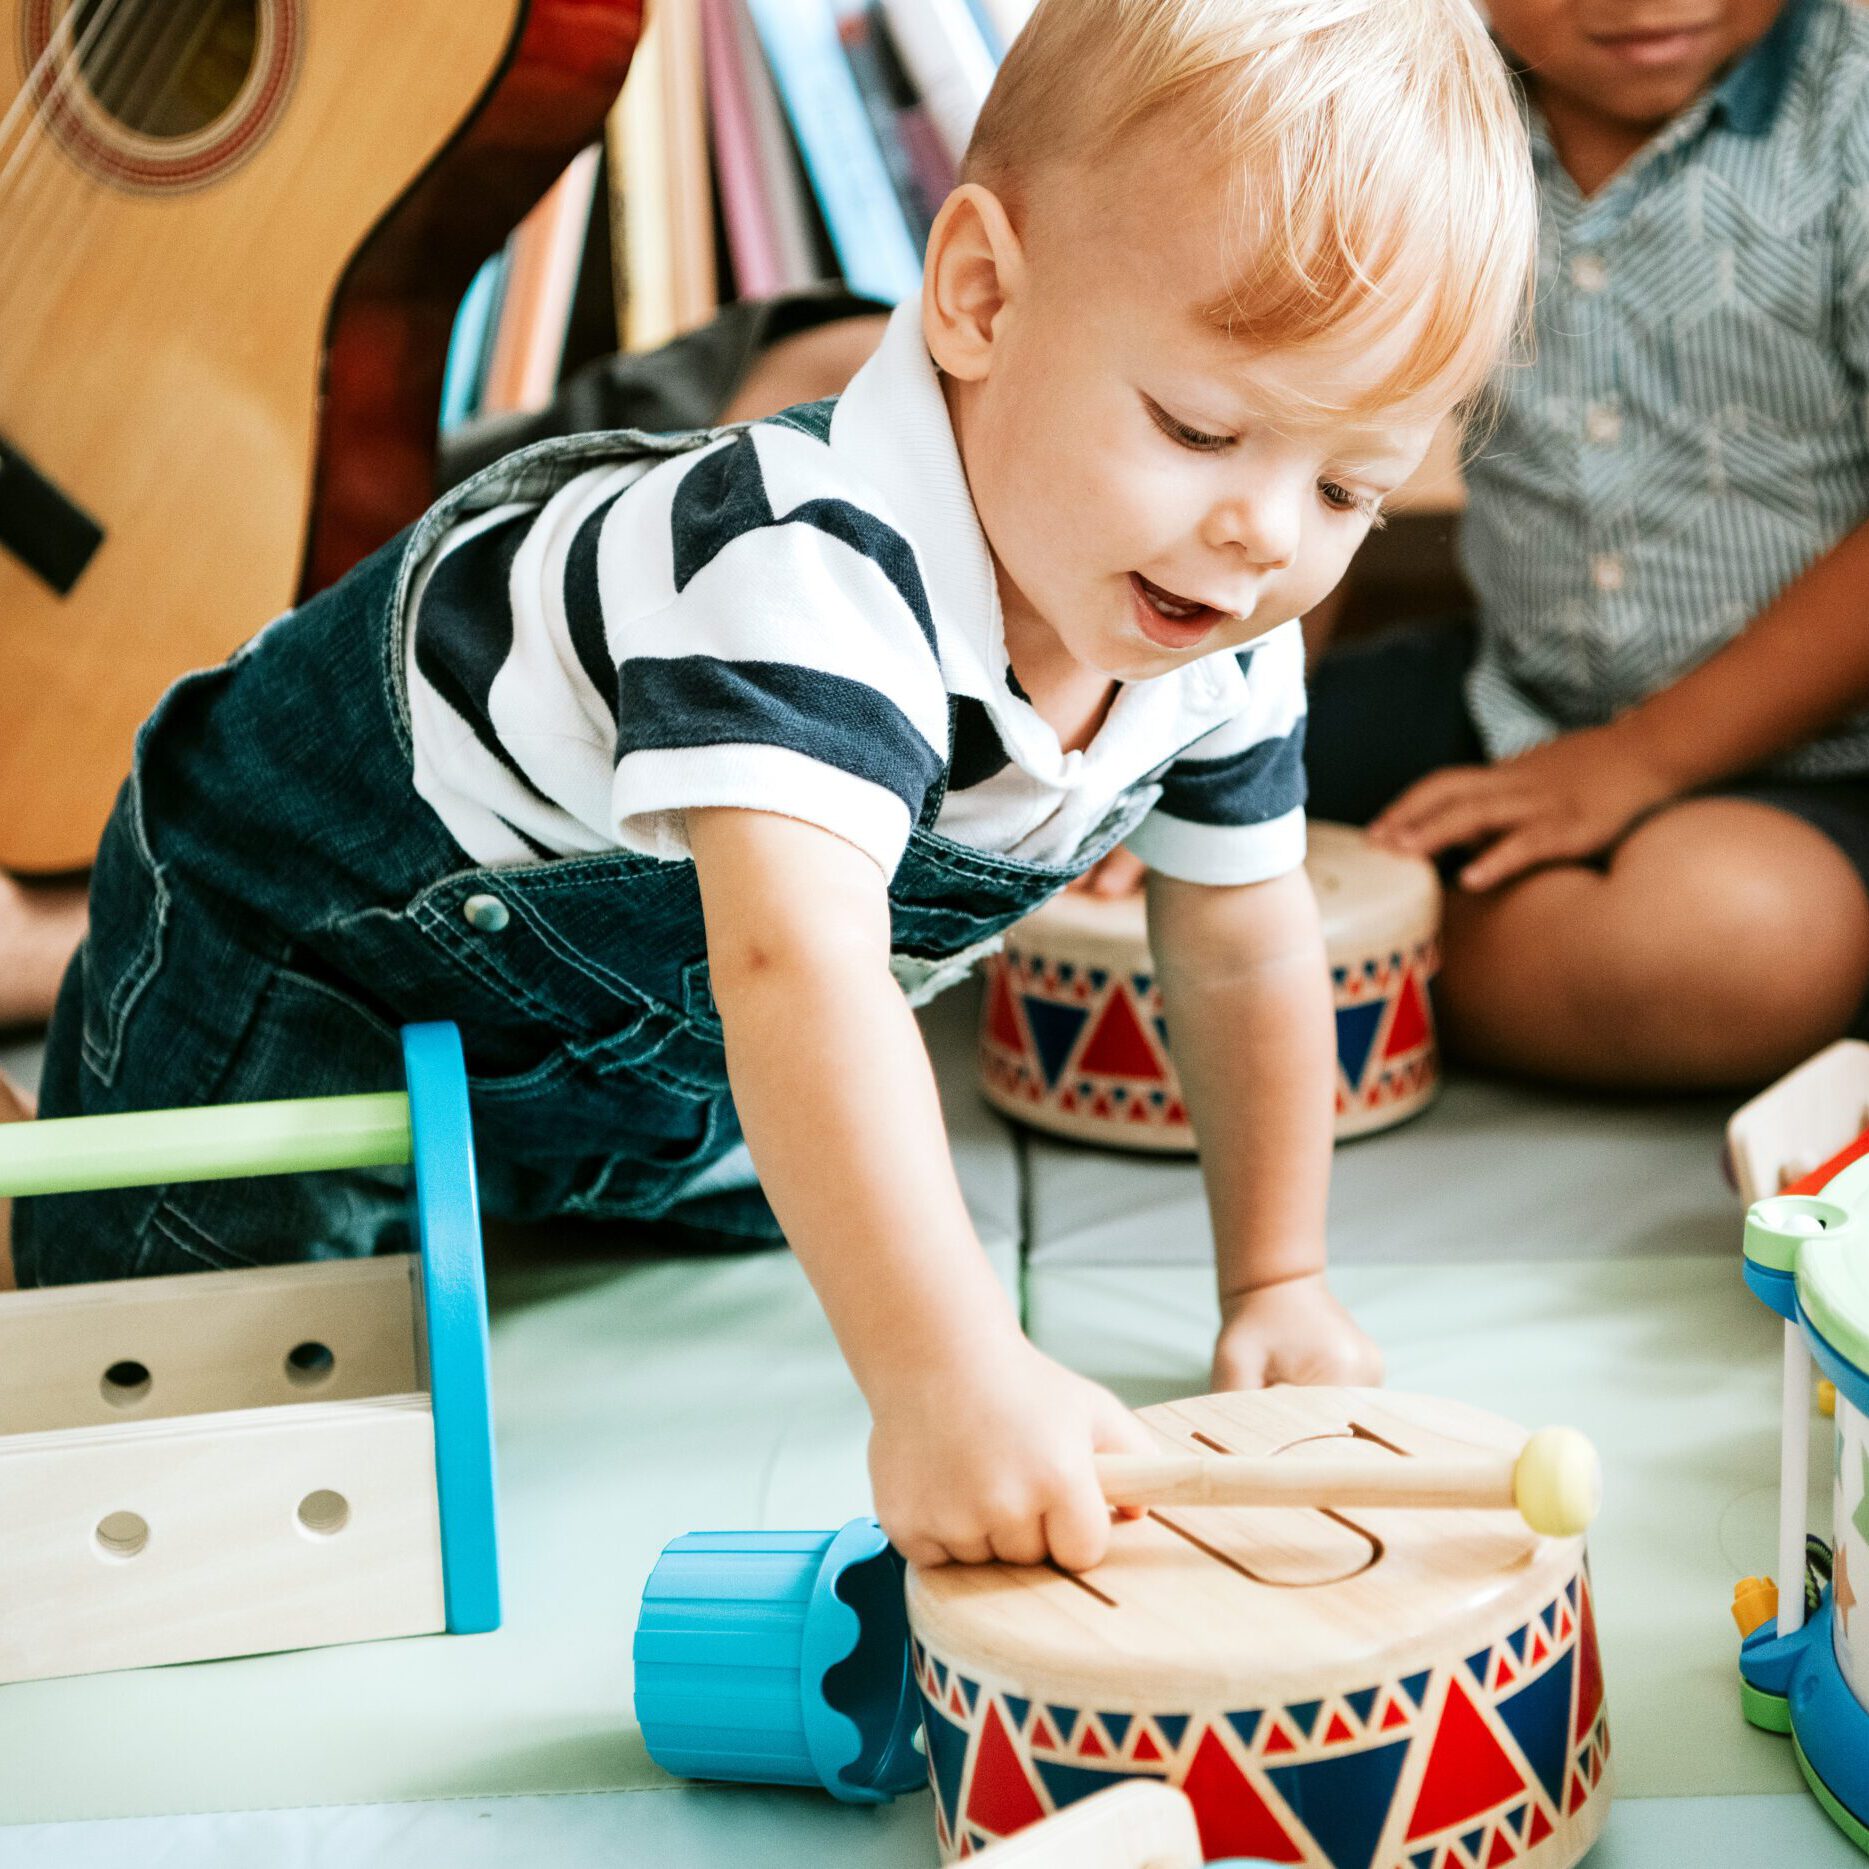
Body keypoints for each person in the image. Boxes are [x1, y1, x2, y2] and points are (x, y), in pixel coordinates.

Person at [0, 0, 1535, 1571]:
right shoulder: (800, 568)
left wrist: (1274, 1279)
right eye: (1201, 429)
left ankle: (510, 1162)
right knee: (184, 1456)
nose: (1267, 533)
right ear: (982, 299)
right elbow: (792, 965)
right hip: (302, 928)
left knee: (813, 1178)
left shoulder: (1212, 631)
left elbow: (1245, 940)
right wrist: (944, 1377)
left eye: (1346, 481)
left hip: (630, 1032)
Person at [1302, 0, 1869, 1090]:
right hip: (1517, 692)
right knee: (1090, 809)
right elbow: (1306, 443)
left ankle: (1310, 963)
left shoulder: (1845, 109)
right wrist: (1196, 759)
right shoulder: (1406, 112)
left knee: (1732, 946)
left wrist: (1638, 760)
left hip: (1821, 764)